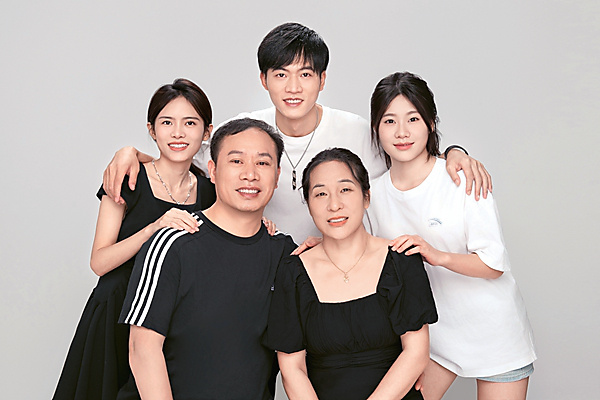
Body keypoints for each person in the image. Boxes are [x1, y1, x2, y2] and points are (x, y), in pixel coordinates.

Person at [101, 22, 491, 244]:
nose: (293, 87)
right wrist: (131, 153)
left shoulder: (356, 131)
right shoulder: (244, 132)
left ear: (322, 80)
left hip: (335, 270)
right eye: (280, 75)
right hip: (261, 267)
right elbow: (182, 155)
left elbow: (409, 155)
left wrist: (454, 152)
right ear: (263, 80)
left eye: (305, 74)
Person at [368, 72, 537, 400]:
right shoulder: (372, 196)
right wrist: (323, 244)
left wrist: (437, 255)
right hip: (428, 338)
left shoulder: (462, 177)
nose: (401, 132)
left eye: (413, 119)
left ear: (431, 124)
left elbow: (493, 264)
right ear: (376, 128)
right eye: (389, 121)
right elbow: (364, 255)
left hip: (492, 331)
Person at [52, 79, 217, 400]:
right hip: (117, 309)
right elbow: (99, 262)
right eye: (166, 123)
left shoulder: (210, 191)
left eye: (190, 123)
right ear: (152, 130)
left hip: (170, 319)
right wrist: (154, 228)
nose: (178, 133)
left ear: (206, 132)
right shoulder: (128, 177)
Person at [116, 118, 296, 400]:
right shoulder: (173, 242)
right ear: (212, 170)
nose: (250, 174)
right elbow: (142, 349)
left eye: (262, 163)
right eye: (236, 161)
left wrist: (326, 244)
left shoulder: (284, 253)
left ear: (277, 175)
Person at [264, 148, 438, 400]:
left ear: (366, 197)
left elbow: (416, 353)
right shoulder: (292, 273)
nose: (334, 205)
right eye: (320, 194)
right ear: (309, 206)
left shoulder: (402, 260)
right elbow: (293, 369)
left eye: (345, 189)